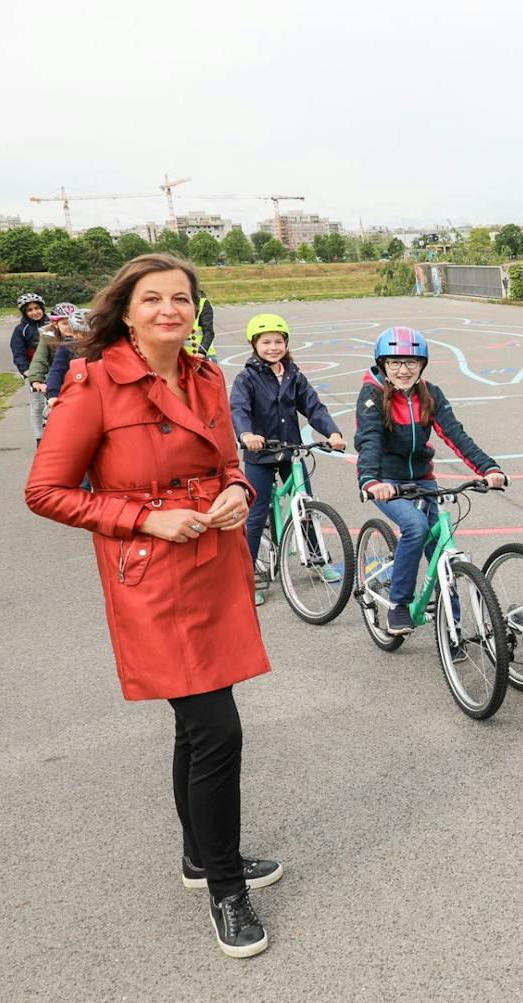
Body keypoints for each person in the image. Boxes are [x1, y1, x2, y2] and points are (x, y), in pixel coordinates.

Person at [24, 253, 280, 959]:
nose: (169, 309)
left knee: (197, 729)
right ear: (127, 310)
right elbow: (45, 491)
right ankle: (226, 888)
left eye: (181, 298)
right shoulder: (95, 382)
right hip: (153, 575)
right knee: (217, 730)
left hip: (215, 562)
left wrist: (239, 491)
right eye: (153, 299)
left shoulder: (205, 375)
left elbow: (229, 463)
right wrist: (146, 518)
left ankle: (201, 857)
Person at [355, 326, 507, 635]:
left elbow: (454, 433)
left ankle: (453, 625)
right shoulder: (372, 395)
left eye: (411, 362)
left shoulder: (430, 393)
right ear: (382, 364)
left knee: (439, 545)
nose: (403, 369)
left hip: (423, 479)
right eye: (395, 362)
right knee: (415, 527)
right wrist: (370, 480)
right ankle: (399, 604)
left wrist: (488, 468)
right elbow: (368, 439)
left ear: (422, 364)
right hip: (387, 480)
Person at [230, 313, 346, 605]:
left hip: (291, 451)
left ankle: (318, 559)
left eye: (278, 341)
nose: (273, 347)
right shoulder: (247, 378)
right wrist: (246, 435)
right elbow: (239, 410)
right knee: (255, 515)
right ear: (254, 344)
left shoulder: (293, 374)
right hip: (261, 454)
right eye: (266, 342)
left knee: (306, 505)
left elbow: (313, 406)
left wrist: (332, 433)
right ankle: (244, 576)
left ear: (286, 344)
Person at [26, 303, 78, 425]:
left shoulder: (83, 336)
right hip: (57, 380)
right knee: (49, 415)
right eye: (65, 324)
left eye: (72, 323)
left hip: (78, 380)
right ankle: (41, 440)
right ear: (55, 324)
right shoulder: (48, 338)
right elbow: (39, 360)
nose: (69, 327)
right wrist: (36, 380)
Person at [10, 292, 49, 444]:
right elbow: (18, 353)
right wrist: (26, 372)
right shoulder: (21, 330)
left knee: (56, 401)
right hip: (34, 372)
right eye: (30, 310)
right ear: (25, 313)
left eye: (37, 308)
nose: (35, 312)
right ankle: (39, 437)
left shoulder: (51, 324)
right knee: (38, 404)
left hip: (53, 368)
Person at [188, 293, 216, 359]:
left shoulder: (203, 303)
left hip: (202, 355)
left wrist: (202, 352)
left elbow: (208, 331)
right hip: (182, 358)